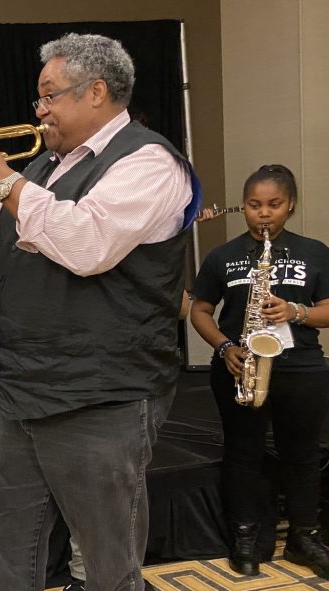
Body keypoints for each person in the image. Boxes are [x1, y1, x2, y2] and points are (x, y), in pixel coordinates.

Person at [0, 33, 200, 591]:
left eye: (49, 95)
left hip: (101, 395)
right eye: (40, 98)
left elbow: (87, 245)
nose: (39, 110)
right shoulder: (43, 168)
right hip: (23, 389)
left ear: (97, 92)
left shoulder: (149, 162)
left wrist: (3, 180)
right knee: (8, 560)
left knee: (108, 567)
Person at [190, 164, 329, 577]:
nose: (263, 214)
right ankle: (246, 537)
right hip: (240, 365)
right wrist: (224, 346)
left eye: (274, 205)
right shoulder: (223, 256)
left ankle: (304, 537)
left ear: (290, 206)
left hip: (302, 366)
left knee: (303, 456)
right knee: (243, 454)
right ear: (244, 205)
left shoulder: (315, 251)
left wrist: (296, 311)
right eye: (254, 205)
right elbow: (200, 310)